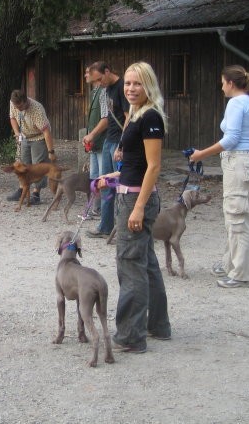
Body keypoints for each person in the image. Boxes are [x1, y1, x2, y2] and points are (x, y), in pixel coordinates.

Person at [95, 61, 171, 353]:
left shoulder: (150, 116)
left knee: (130, 266)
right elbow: (135, 164)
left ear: (148, 85)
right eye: (127, 83)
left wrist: (138, 208)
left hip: (136, 200)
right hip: (130, 191)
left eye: (137, 83)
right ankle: (158, 325)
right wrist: (111, 177)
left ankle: (130, 335)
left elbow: (153, 167)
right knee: (147, 263)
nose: (130, 88)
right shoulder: (137, 114)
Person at [190, 65, 249, 289]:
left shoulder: (236, 103)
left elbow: (231, 139)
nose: (221, 87)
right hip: (239, 162)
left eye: (222, 82)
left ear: (230, 83)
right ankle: (231, 263)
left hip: (237, 161)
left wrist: (201, 154)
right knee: (233, 215)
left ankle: (240, 274)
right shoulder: (247, 102)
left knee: (237, 218)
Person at [87, 62, 129, 237]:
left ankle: (122, 228)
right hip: (108, 141)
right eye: (95, 81)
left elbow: (129, 118)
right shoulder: (107, 89)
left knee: (121, 186)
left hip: (118, 141)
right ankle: (105, 226)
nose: (98, 83)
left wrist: (122, 145)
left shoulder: (122, 87)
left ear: (107, 71)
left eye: (99, 79)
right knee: (105, 184)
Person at [6, 90, 56, 205]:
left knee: (38, 165)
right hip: (24, 136)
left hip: (39, 137)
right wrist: (17, 132)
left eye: (20, 106)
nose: (18, 109)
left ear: (25, 101)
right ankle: (22, 189)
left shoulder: (37, 109)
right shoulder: (13, 103)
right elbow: (12, 117)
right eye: (16, 106)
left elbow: (46, 131)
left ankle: (36, 194)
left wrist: (51, 151)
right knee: (22, 164)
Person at [81, 65, 108, 215]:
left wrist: (92, 135)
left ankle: (106, 211)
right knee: (94, 177)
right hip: (95, 143)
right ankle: (96, 209)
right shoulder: (94, 93)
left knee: (104, 177)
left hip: (103, 141)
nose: (85, 75)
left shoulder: (104, 92)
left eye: (88, 72)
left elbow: (106, 119)